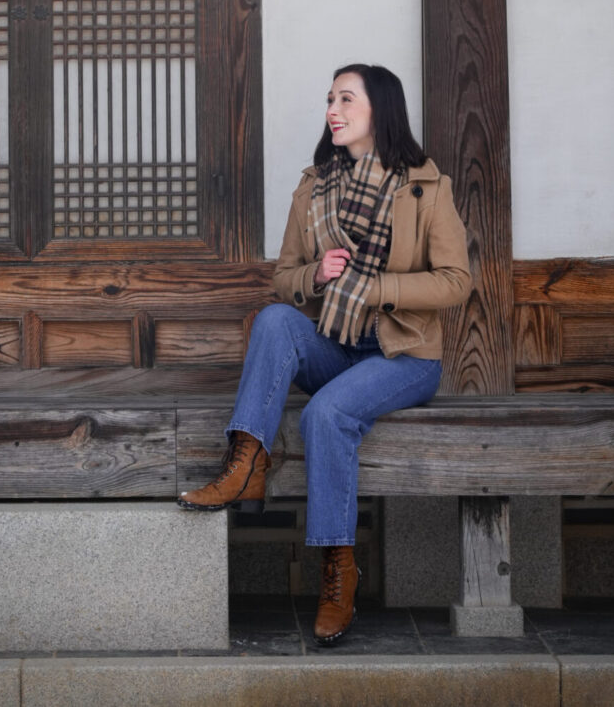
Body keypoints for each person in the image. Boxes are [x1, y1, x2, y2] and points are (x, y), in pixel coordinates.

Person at [178, 63, 471, 646]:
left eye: (345, 99)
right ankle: (246, 465)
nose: (332, 110)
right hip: (337, 344)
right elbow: (283, 278)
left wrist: (378, 287)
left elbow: (457, 281)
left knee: (323, 415)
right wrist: (316, 274)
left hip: (404, 354)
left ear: (379, 110)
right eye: (329, 100)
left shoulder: (426, 187)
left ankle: (338, 572)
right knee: (276, 320)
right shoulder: (314, 186)